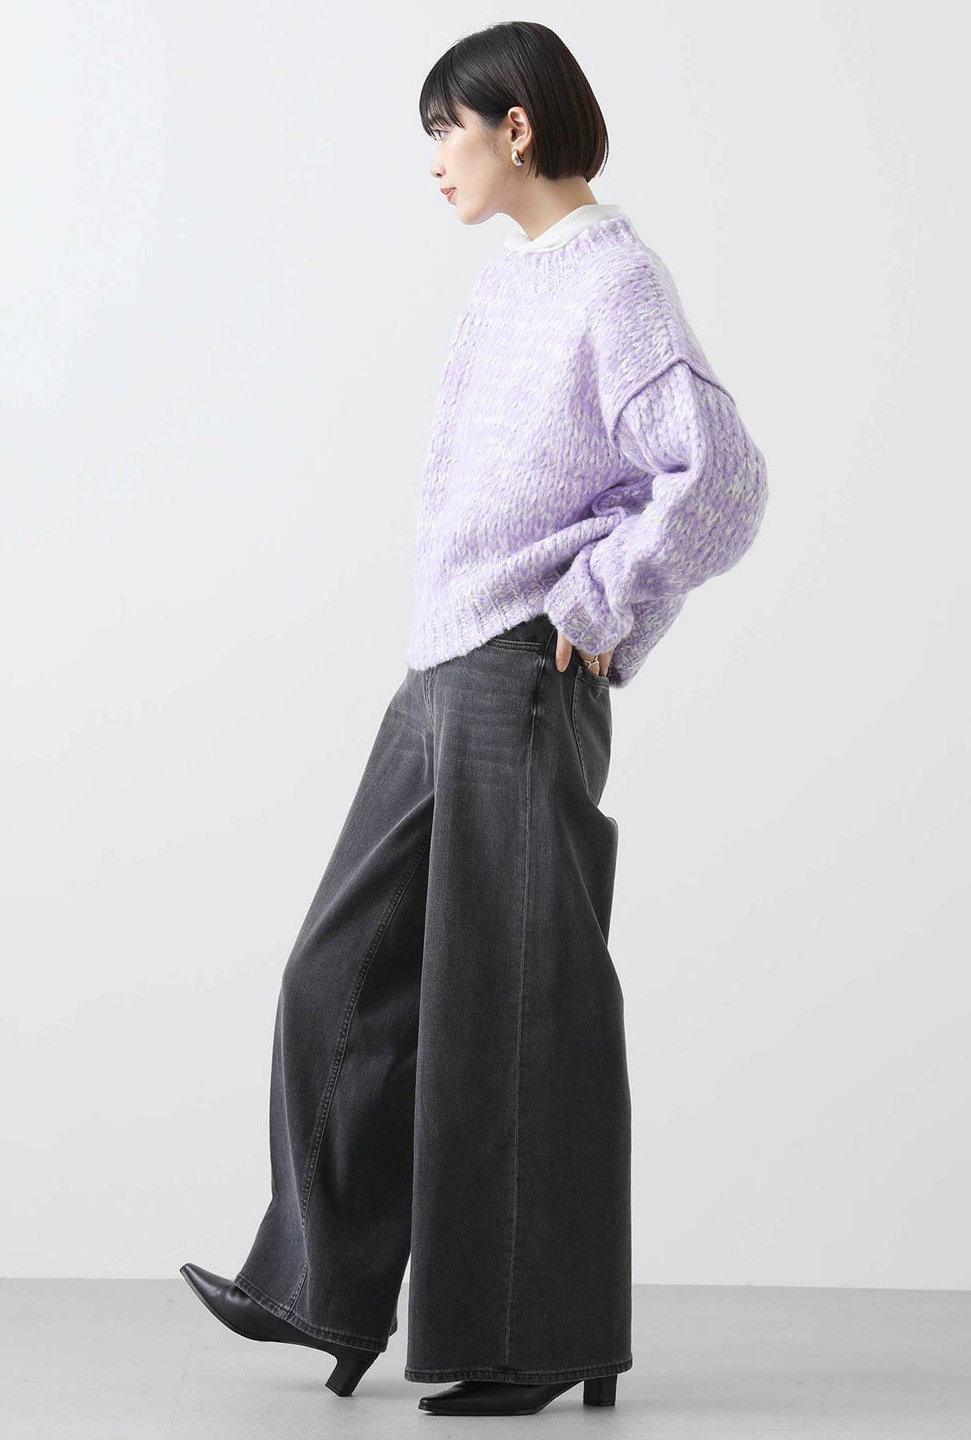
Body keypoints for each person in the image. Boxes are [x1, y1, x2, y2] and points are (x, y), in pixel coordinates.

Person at [180, 19, 768, 1420]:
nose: (434, 158)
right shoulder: (514, 283)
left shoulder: (614, 278)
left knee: (513, 1012)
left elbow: (723, 477)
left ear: (518, 126)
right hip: (446, 665)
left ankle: (534, 1339)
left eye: (447, 127)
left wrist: (603, 598)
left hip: (521, 673)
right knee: (341, 973)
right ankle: (323, 1285)